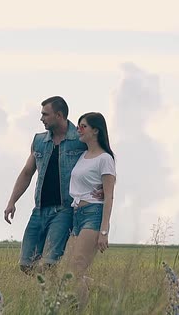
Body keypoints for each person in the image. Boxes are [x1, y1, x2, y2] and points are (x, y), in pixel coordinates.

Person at [4, 96, 88, 274]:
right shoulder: (39, 141)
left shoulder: (80, 140)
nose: (41, 118)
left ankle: (56, 297)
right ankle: (71, 288)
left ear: (59, 115)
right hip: (39, 209)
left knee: (49, 263)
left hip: (64, 210)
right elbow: (27, 172)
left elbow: (99, 163)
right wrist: (12, 201)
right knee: (26, 264)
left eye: (45, 114)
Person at [66, 112, 116, 308]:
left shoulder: (105, 159)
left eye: (83, 126)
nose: (79, 129)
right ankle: (108, 293)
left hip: (93, 215)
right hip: (76, 215)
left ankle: (78, 309)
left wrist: (104, 231)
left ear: (96, 130)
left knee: (76, 269)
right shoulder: (82, 156)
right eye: (78, 125)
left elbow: (109, 195)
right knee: (69, 272)